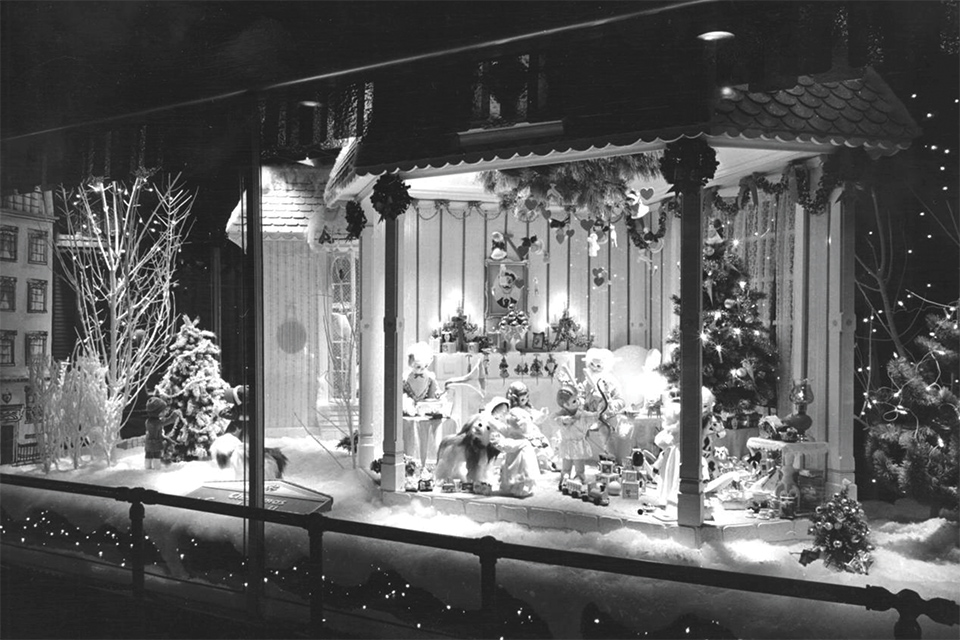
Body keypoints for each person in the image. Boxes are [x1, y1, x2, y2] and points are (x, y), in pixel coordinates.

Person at [485, 397, 540, 497]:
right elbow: (501, 428)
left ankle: (522, 489)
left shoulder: (523, 442)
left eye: (509, 423)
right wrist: (490, 420)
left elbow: (507, 446)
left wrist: (497, 441)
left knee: (519, 478)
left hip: (521, 467)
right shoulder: (513, 433)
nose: (507, 425)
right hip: (513, 462)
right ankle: (511, 488)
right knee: (510, 473)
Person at [505, 381, 557, 472]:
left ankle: (544, 463)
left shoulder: (528, 409)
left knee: (541, 446)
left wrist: (542, 414)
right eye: (522, 399)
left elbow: (536, 418)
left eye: (526, 398)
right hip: (520, 435)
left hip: (532, 433)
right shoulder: (512, 411)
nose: (524, 400)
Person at [552, 384, 597, 488]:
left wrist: (597, 415)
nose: (577, 402)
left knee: (579, 463)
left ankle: (579, 476)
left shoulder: (581, 413)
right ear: (564, 405)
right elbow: (553, 419)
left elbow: (590, 416)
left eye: (577, 399)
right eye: (573, 401)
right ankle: (565, 476)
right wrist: (564, 420)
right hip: (567, 443)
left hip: (578, 443)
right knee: (566, 463)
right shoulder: (561, 414)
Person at [144, 396, 180, 469]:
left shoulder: (148, 421)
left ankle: (147, 467)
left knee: (148, 455)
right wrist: (174, 415)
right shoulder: (157, 422)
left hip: (148, 442)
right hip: (155, 443)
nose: (165, 412)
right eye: (163, 411)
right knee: (156, 455)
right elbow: (169, 421)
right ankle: (156, 468)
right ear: (156, 413)